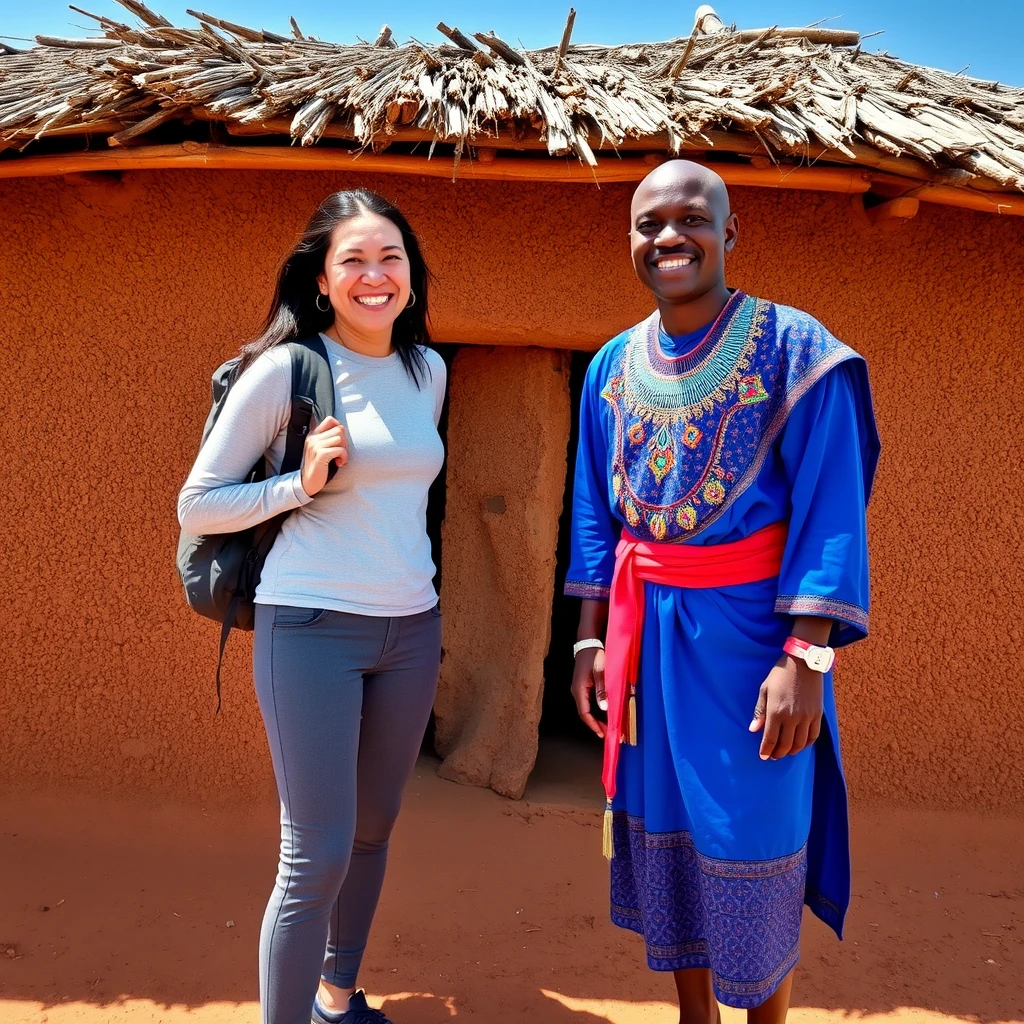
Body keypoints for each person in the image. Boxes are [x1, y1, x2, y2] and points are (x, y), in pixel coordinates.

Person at [566, 160, 879, 1023]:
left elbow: (831, 510)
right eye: (648, 223)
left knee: (753, 840)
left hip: (755, 651)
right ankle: (693, 1018)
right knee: (673, 844)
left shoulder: (797, 351)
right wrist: (591, 641)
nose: (669, 236)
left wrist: (806, 657)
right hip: (648, 649)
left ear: (730, 231)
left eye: (691, 218)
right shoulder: (608, 368)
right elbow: (597, 509)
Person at [177, 190, 446, 1024]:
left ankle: (337, 997)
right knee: (315, 853)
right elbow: (199, 504)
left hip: (412, 627)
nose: (376, 276)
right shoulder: (287, 370)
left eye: (390, 258)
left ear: (410, 274)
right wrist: (301, 481)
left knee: (373, 829)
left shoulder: (426, 370)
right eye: (354, 261)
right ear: (323, 282)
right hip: (312, 627)